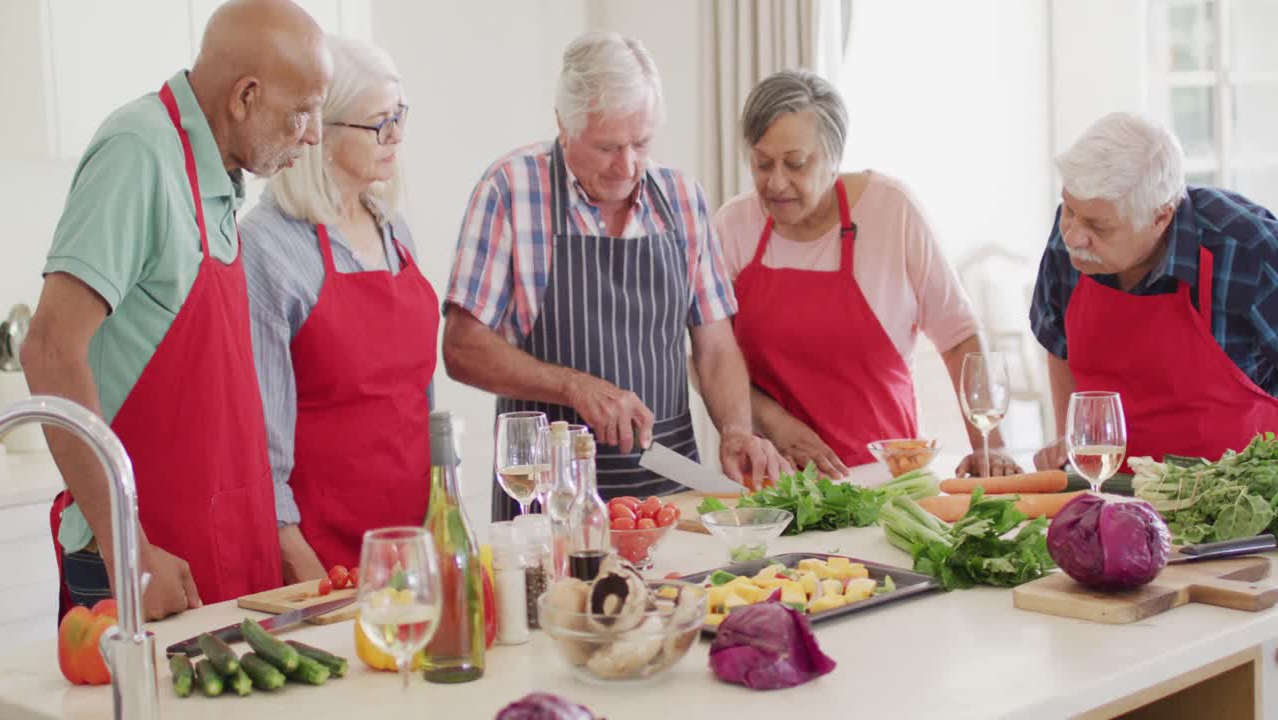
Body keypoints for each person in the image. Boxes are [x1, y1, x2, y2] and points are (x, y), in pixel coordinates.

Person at [20, 0, 331, 620]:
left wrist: (275, 535)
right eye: (302, 112)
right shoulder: (141, 150)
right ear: (245, 97)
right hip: (144, 559)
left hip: (217, 547)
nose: (314, 134)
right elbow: (49, 350)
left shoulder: (215, 176)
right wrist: (128, 549)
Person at [443, 31, 785, 522]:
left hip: (671, 493)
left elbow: (715, 346)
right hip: (547, 494)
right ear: (564, 125)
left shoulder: (682, 197)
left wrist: (735, 429)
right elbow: (462, 348)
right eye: (606, 147)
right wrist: (575, 388)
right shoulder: (511, 190)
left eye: (641, 143)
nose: (627, 166)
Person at [715, 69, 1019, 480]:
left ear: (835, 155)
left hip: (887, 477)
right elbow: (711, 357)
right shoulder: (733, 227)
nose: (777, 183)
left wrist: (990, 446)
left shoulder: (891, 211)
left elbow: (959, 337)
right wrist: (773, 421)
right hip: (776, 484)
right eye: (762, 164)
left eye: (796, 163)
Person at [240, 35, 437, 581]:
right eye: (379, 122)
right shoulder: (269, 245)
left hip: (413, 539)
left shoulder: (393, 228)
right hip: (322, 551)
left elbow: (418, 400)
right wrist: (293, 553)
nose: (397, 134)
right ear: (319, 131)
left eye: (400, 115)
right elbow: (261, 434)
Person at [1030, 112, 1278, 471]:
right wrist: (1071, 440)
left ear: (1161, 217)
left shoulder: (1249, 253)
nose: (1072, 236)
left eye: (1100, 226)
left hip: (1231, 503)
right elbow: (1057, 342)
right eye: (1069, 209)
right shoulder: (1074, 234)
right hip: (1110, 495)